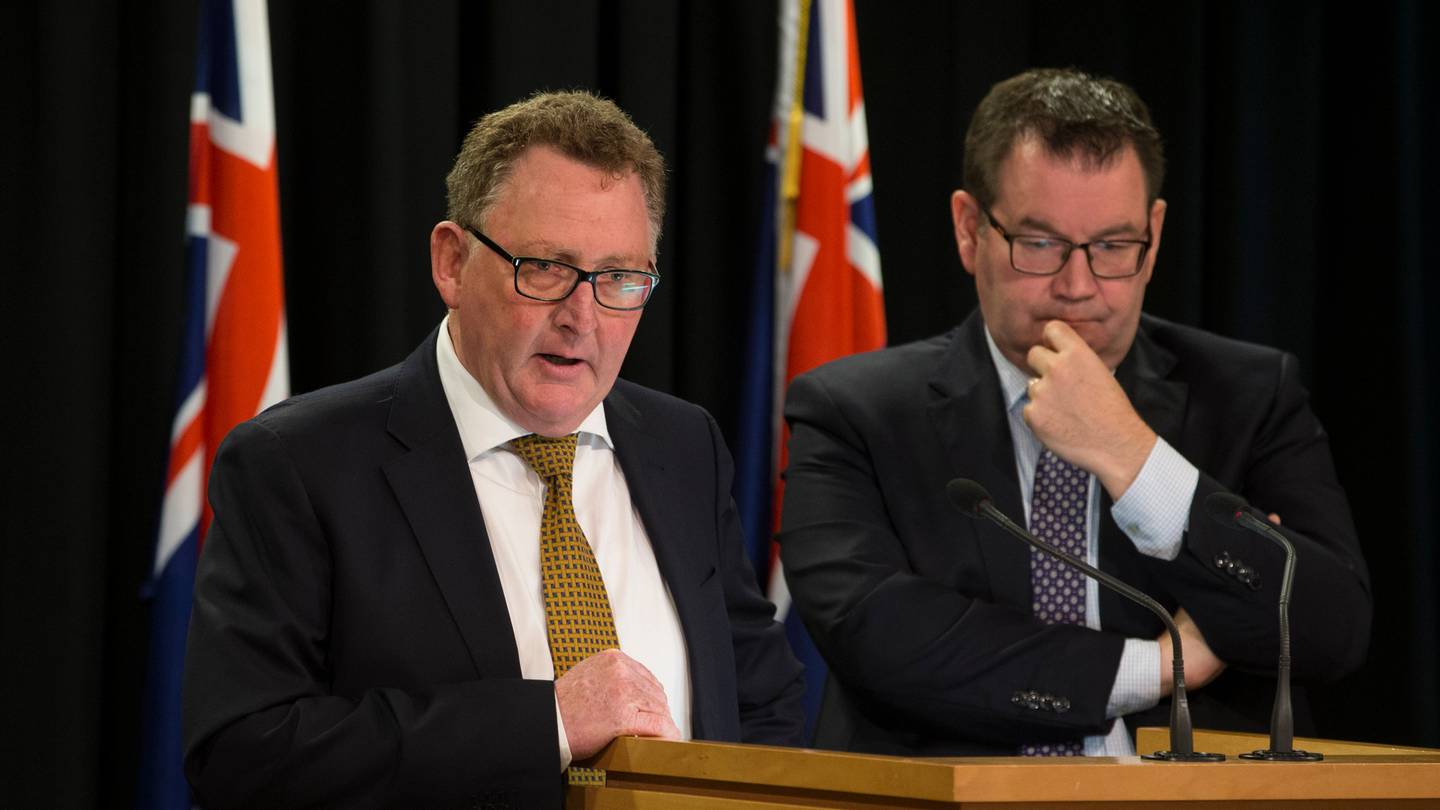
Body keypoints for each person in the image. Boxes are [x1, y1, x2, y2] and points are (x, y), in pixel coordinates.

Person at [183, 91, 805, 809]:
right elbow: (241, 752)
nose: (583, 317)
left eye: (620, 279)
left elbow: (762, 701)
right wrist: (547, 723)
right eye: (544, 267)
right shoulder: (298, 464)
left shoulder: (683, 445)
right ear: (452, 262)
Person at [778, 68, 1371, 757]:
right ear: (970, 231)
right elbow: (882, 637)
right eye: (1040, 244)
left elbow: (1333, 631)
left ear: (1153, 234)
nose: (1078, 286)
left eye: (1114, 247)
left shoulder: (1249, 395)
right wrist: (1154, 667)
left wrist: (1132, 457)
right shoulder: (854, 412)